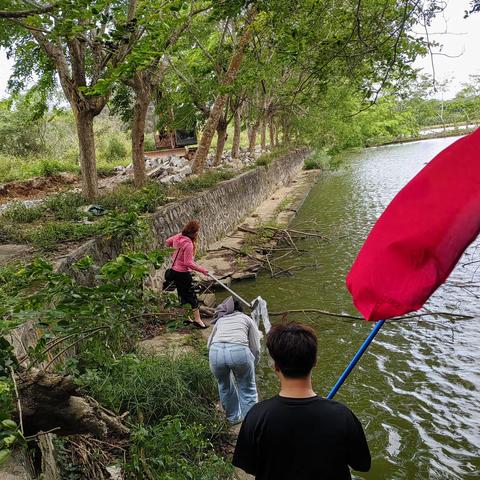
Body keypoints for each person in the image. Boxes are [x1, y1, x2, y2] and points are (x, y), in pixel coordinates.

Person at [233, 322, 371, 480]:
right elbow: (362, 464)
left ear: (275, 366)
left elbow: (249, 466)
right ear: (314, 362)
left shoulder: (257, 415)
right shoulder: (342, 415)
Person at [208, 296, 261, 424]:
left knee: (224, 386)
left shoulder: (220, 320)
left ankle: (233, 418)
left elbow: (209, 343)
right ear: (240, 310)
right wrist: (253, 363)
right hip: (238, 351)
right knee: (247, 388)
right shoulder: (246, 319)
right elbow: (255, 347)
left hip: (215, 352)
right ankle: (250, 424)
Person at [166, 220, 209, 328]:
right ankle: (198, 321)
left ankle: (187, 318)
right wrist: (202, 270)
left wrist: (175, 254)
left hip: (175, 271)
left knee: (182, 295)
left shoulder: (178, 236)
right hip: (183, 274)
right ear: (194, 232)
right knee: (191, 296)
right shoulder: (188, 244)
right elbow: (188, 263)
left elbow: (168, 242)